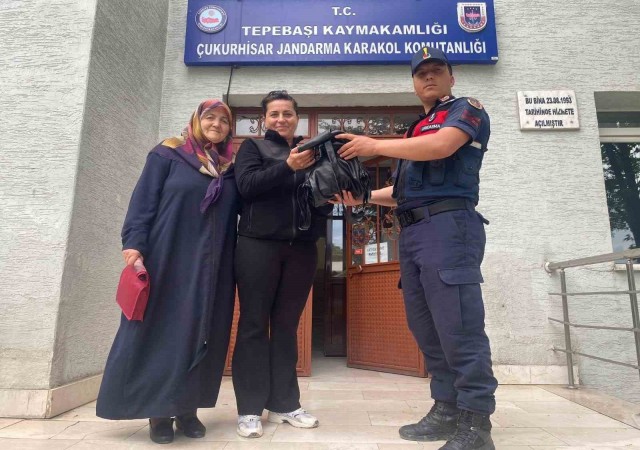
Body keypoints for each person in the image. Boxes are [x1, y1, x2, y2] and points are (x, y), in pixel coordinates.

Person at [333, 47, 497, 450]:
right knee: (427, 327)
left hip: (449, 227)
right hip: (414, 232)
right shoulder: (413, 131)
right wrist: (362, 198)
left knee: (458, 326)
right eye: (421, 73)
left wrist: (375, 145)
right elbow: (402, 193)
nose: (429, 77)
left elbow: (441, 147)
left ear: (451, 77)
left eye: (437, 71)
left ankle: (476, 424)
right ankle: (447, 409)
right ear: (413, 83)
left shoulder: (466, 110)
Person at [96, 99, 240, 444]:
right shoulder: (168, 154)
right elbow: (143, 201)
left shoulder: (229, 168)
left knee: (203, 332)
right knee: (163, 332)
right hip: (168, 258)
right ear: (196, 120)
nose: (217, 124)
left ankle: (187, 408)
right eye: (210, 117)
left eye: (224, 120)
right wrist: (134, 244)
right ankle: (159, 413)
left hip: (213, 266)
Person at [232, 90, 330, 438]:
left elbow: (321, 197)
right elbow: (246, 187)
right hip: (257, 246)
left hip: (301, 249)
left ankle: (285, 404)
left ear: (296, 118)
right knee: (254, 325)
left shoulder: (312, 151)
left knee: (287, 327)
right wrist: (287, 166)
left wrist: (331, 200)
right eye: (274, 114)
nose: (281, 119)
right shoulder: (253, 148)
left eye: (287, 113)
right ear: (265, 120)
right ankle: (249, 409)